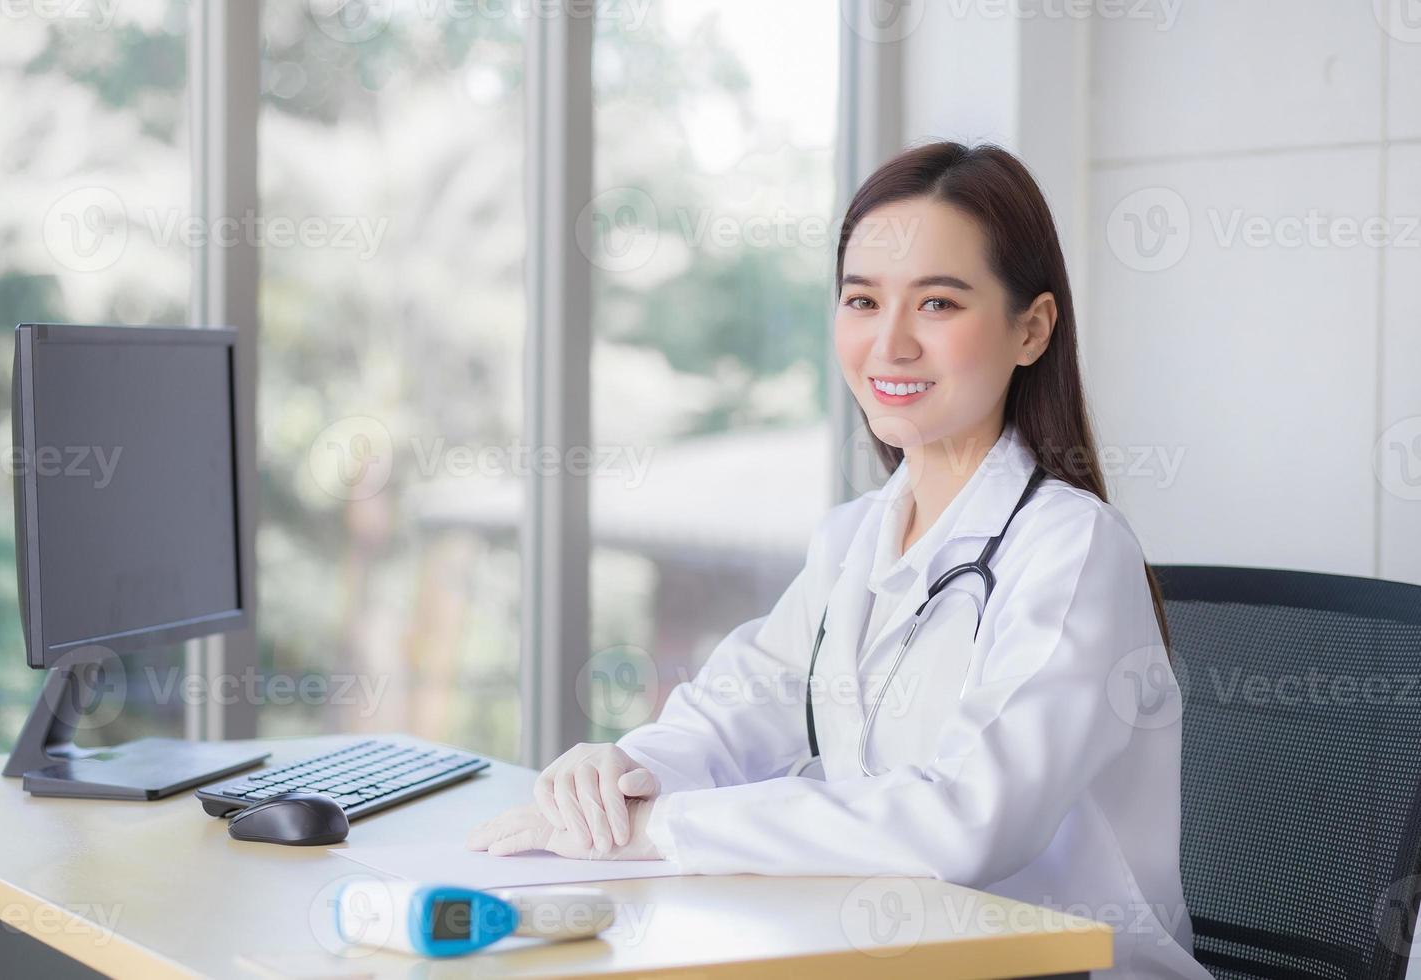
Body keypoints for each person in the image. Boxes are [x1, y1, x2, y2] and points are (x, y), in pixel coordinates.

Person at [467, 141, 1212, 979]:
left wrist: (667, 828)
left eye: (937, 304)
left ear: (1031, 328)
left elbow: (965, 822)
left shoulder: (1073, 551)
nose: (889, 344)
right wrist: (625, 777)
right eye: (863, 300)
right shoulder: (855, 539)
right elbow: (733, 712)